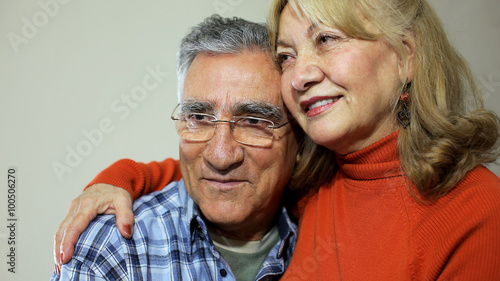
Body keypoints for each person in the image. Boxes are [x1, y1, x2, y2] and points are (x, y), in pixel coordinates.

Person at [55, 0, 500, 280]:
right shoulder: (316, 182)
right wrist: (121, 178)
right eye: (288, 56)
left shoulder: (477, 212)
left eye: (327, 39)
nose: (302, 74)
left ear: (406, 57)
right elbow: (217, 168)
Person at [50, 15, 300, 281]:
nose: (221, 156)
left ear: (301, 137)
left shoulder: (327, 224)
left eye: (253, 121)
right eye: (199, 118)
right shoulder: (112, 251)